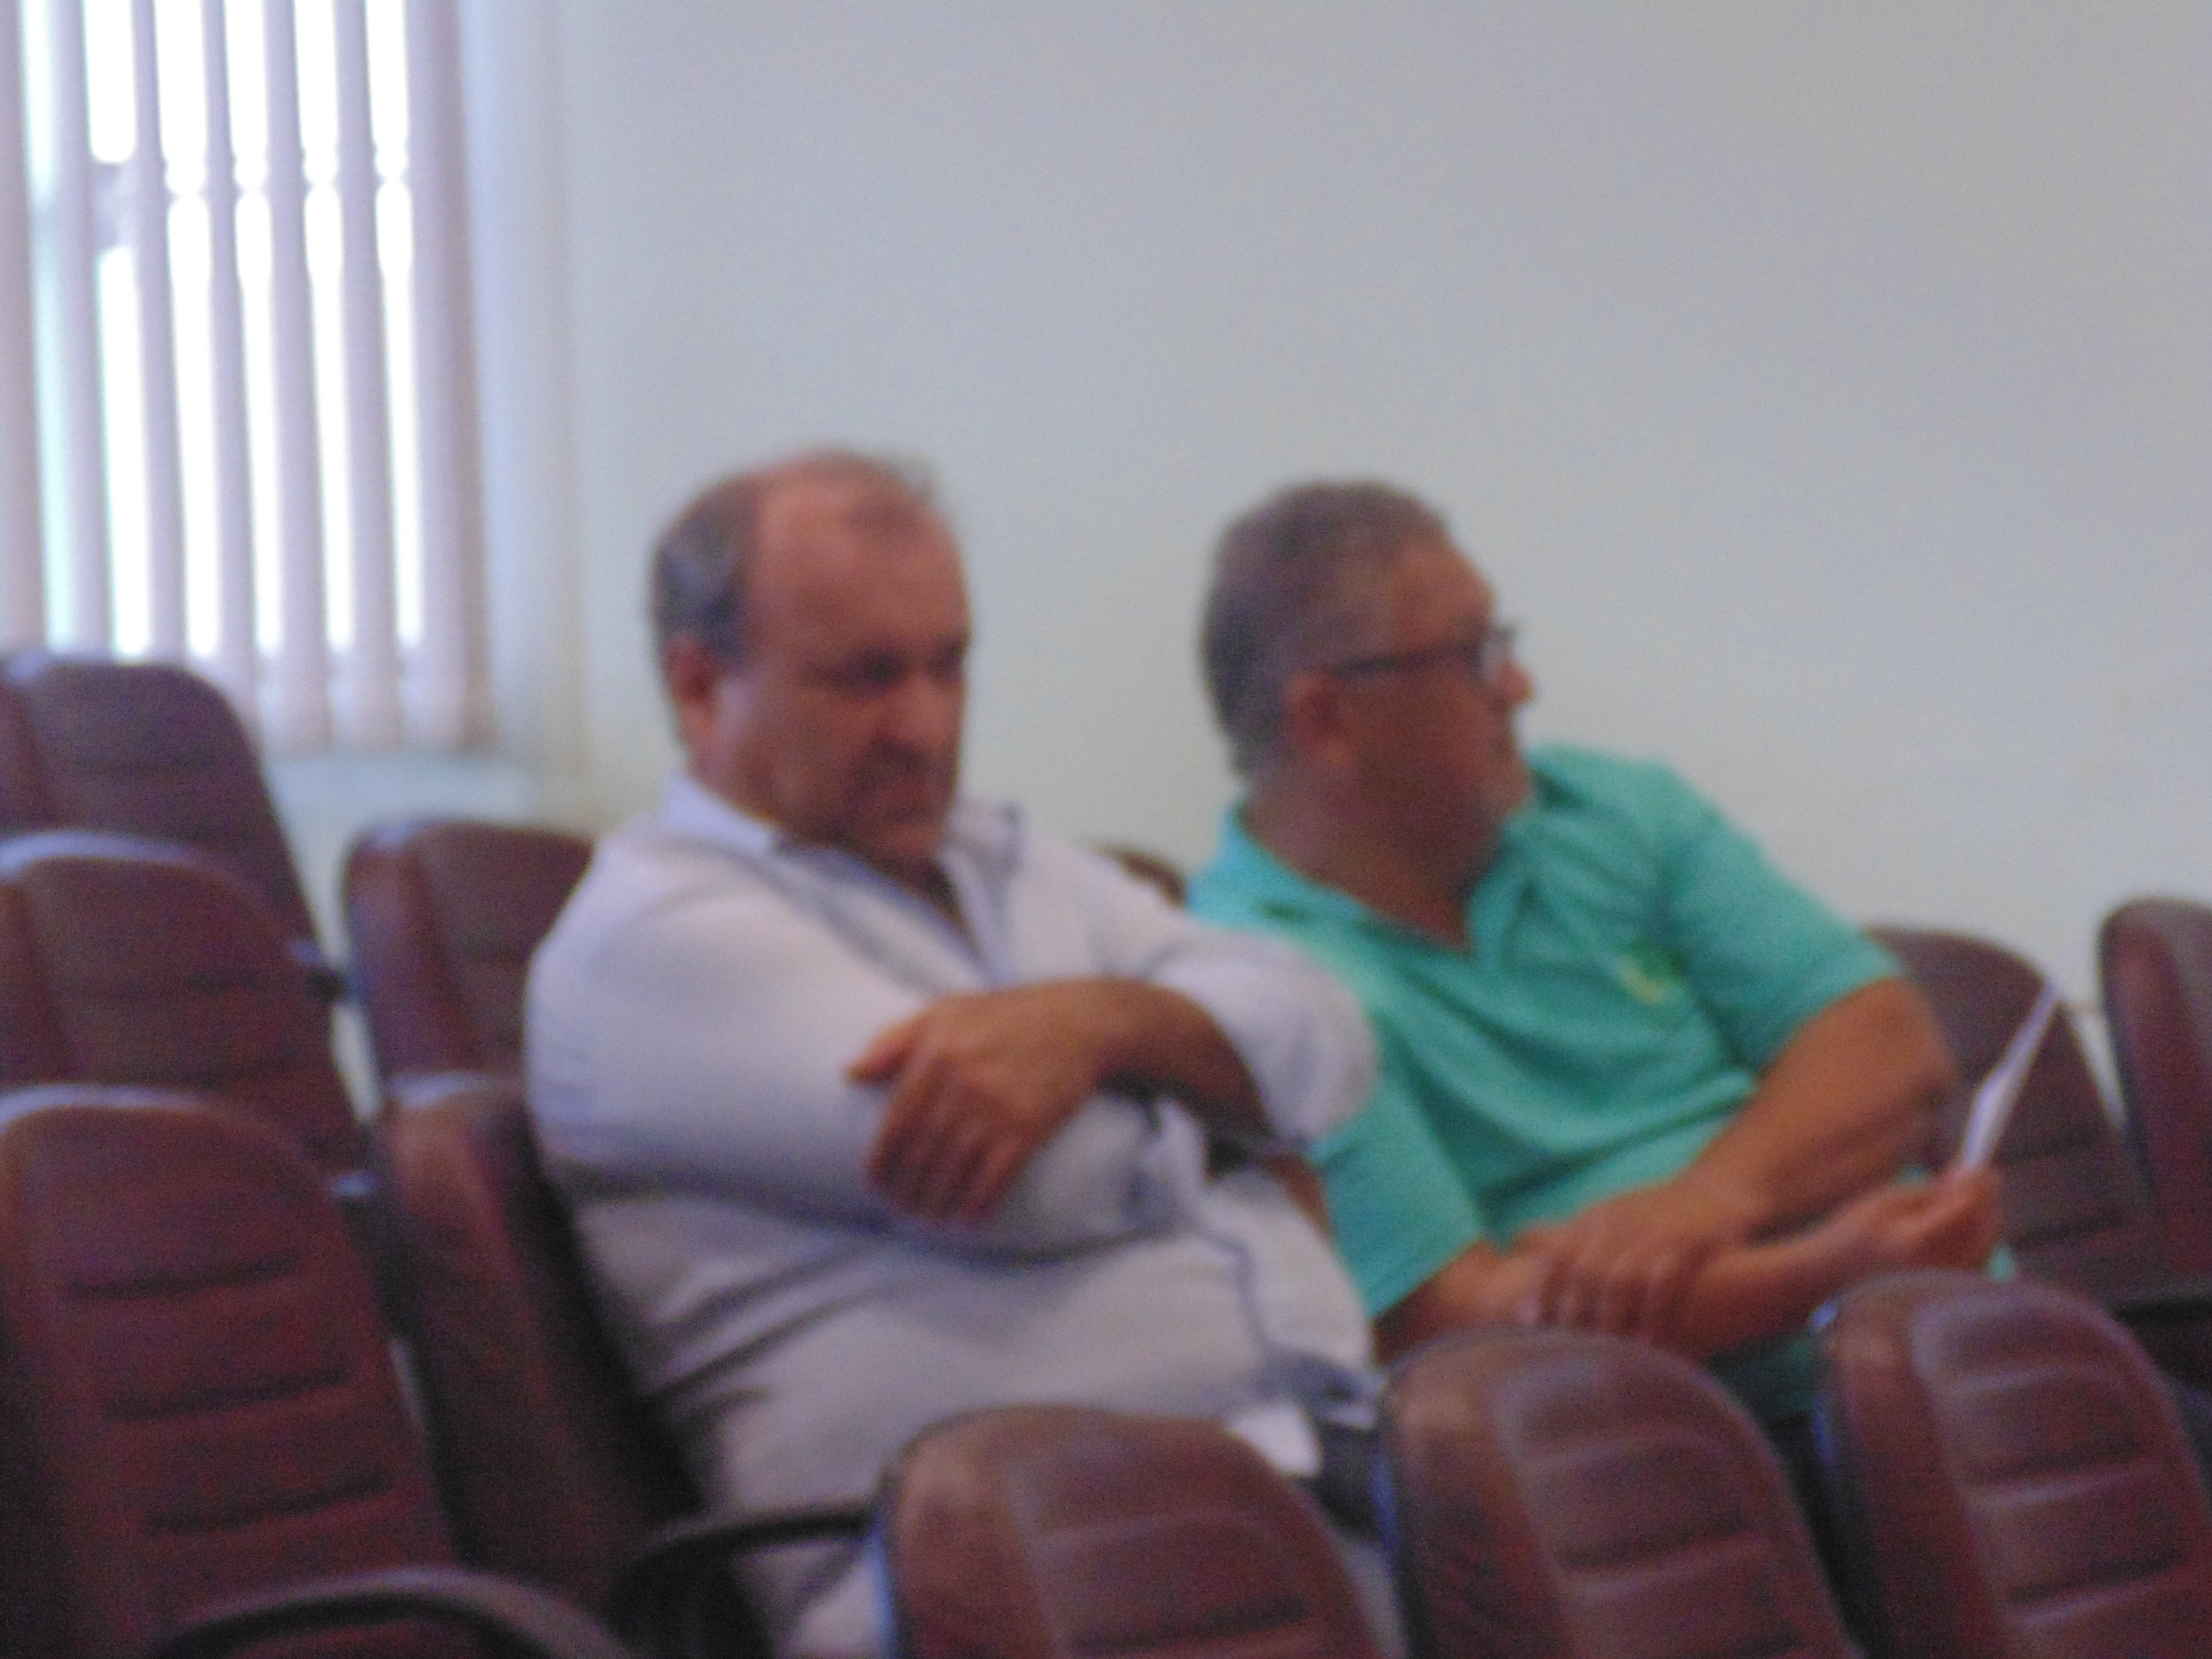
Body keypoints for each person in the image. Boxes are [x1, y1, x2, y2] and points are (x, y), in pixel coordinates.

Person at [526, 452, 1387, 1659]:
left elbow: (1330, 1034)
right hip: (989, 1578)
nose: (926, 728)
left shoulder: (1003, 859)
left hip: (1276, 1489)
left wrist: (1106, 1026)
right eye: (866, 678)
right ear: (700, 685)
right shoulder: (652, 940)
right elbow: (1039, 1183)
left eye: (950, 664)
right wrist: (1243, 1124)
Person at [1187, 479, 2002, 1464]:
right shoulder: (1256, 985)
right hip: (1676, 1463)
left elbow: (1885, 1039)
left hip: (1961, 1353)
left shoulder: (1615, 812)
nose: (1519, 686)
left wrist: (1708, 1202)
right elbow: (1455, 1330)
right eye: (1473, 656)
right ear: (1327, 719)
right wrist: (1822, 1274)